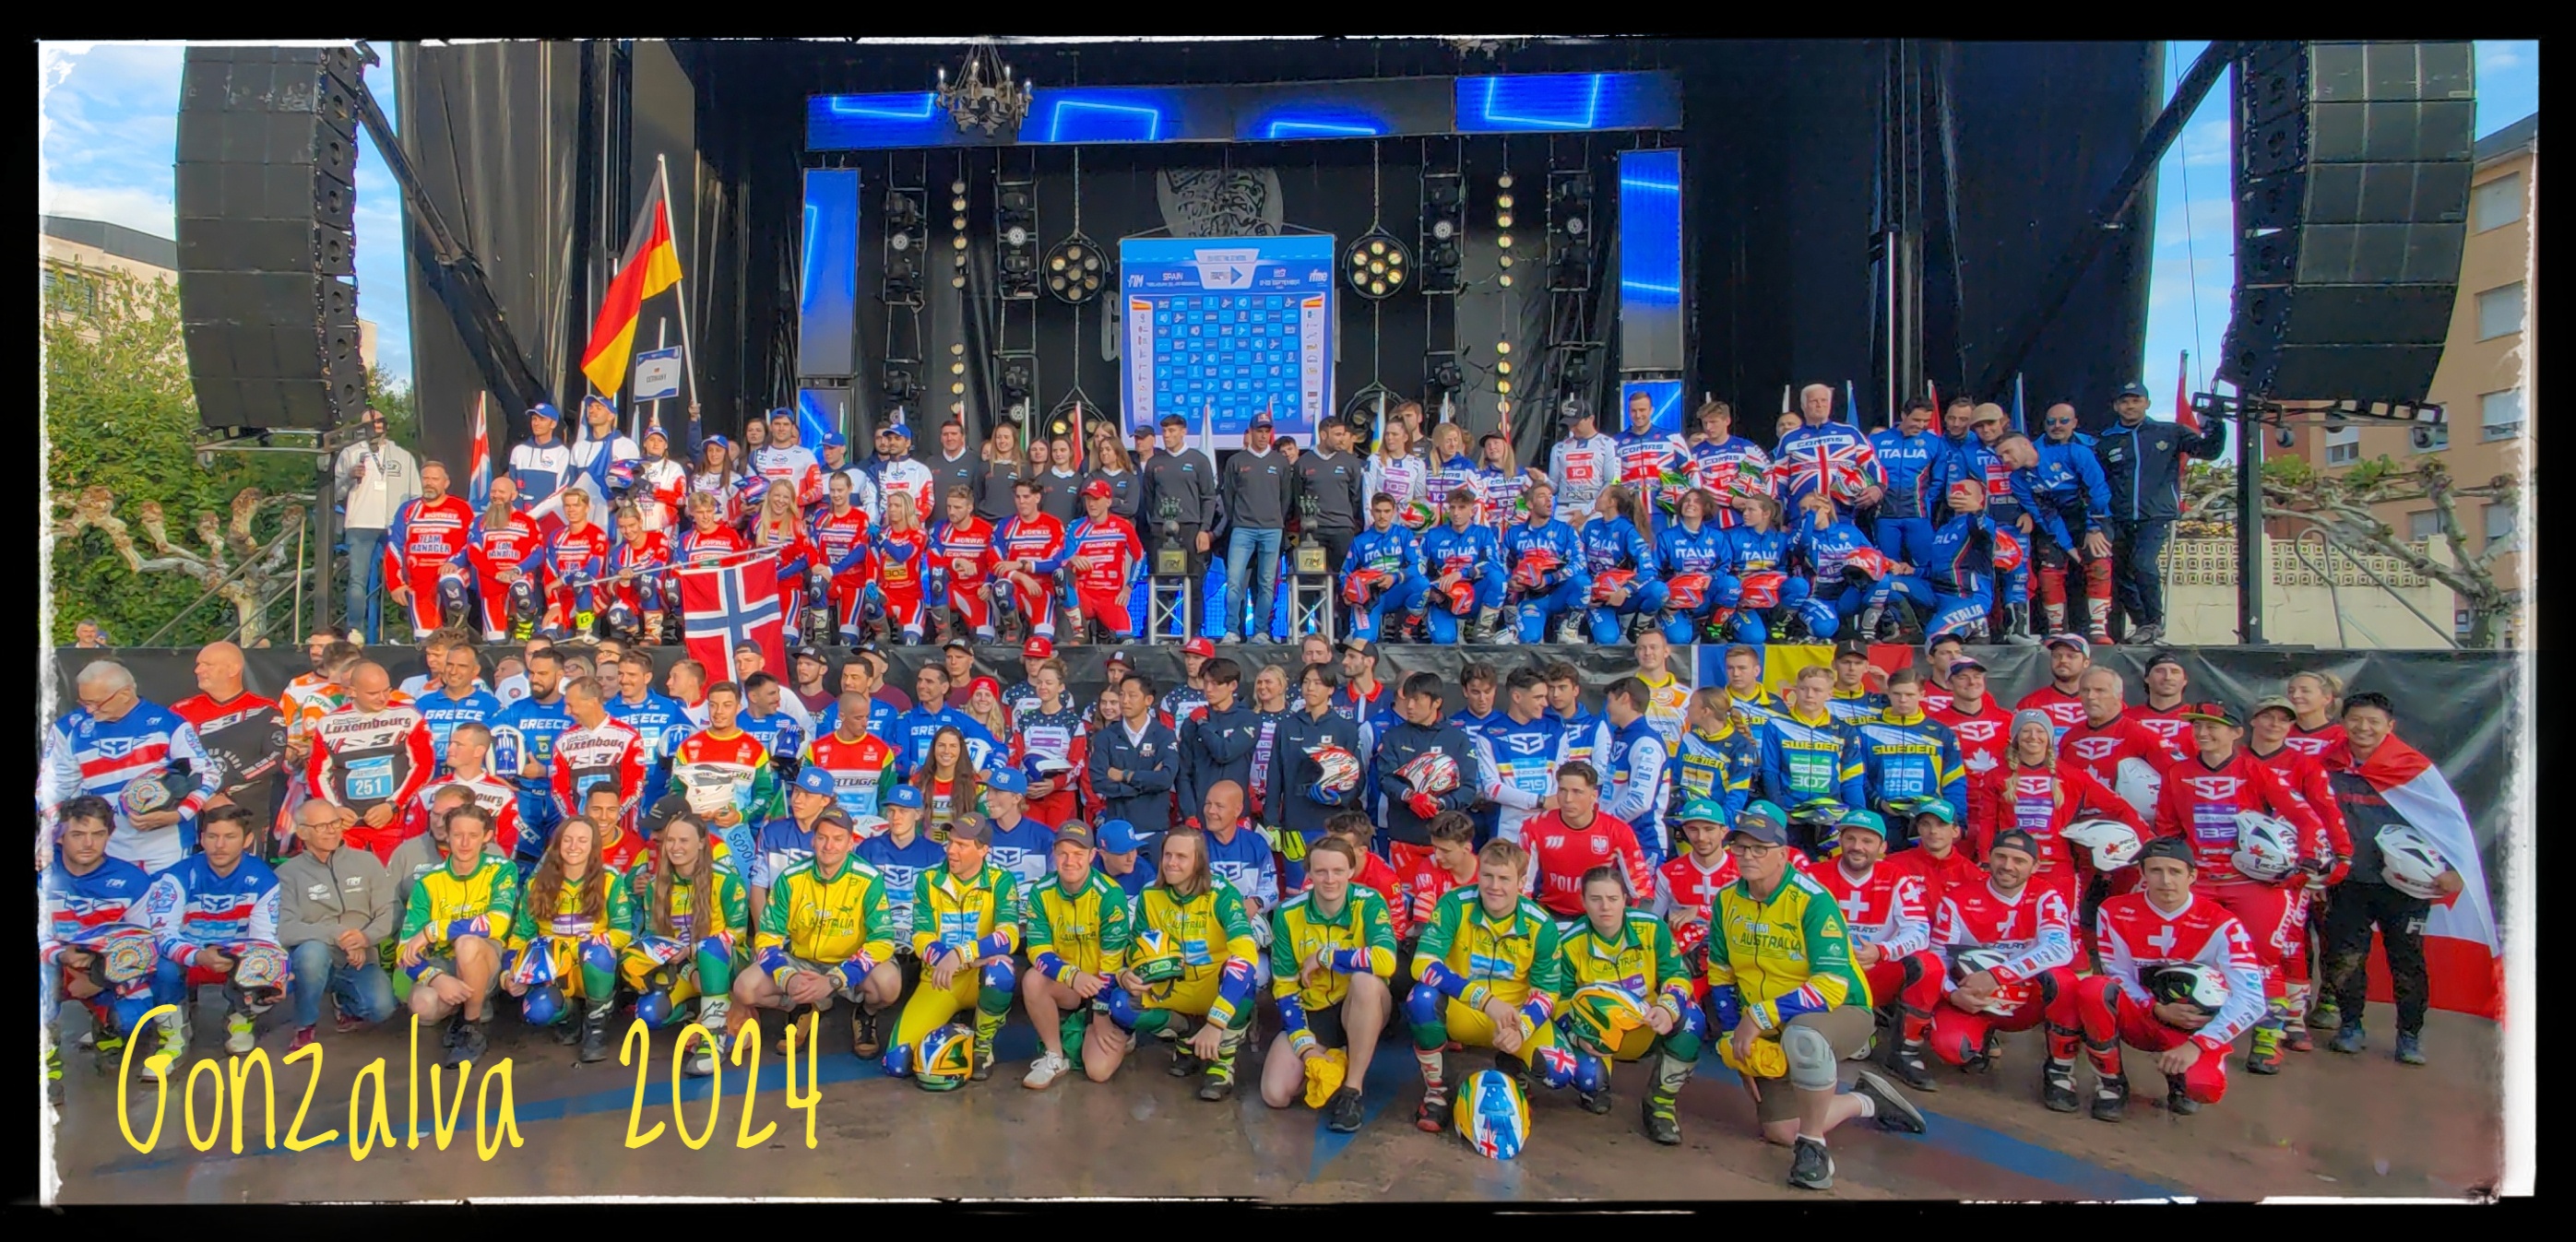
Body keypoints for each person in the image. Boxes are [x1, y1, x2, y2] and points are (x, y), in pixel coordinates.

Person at [1703, 808, 1926, 1189]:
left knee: (1803, 1036)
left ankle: (1813, 1148)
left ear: (1783, 854)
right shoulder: (1726, 900)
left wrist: (1758, 1016)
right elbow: (1721, 973)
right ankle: (1867, 1101)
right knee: (1779, 1130)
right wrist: (1732, 1039)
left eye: (1760, 848)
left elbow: (1831, 985)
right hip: (1771, 1019)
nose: (1748, 856)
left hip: (1841, 1010)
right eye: (1740, 848)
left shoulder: (1813, 900)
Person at [2149, 704, 2326, 1075]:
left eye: (2212, 727)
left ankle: (2268, 1038)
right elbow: (2167, 827)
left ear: (2236, 733)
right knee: (2188, 958)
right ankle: (2192, 1039)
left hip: (2252, 883)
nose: (2202, 734)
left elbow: (2305, 816)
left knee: (2263, 961)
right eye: (2197, 727)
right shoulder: (2178, 772)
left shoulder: (2255, 770)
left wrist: (2308, 857)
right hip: (2199, 883)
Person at [2319, 692, 2466, 1066]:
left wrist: (2455, 868)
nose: (2363, 728)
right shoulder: (2328, 763)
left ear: (2390, 726)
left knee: (2407, 960)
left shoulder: (2413, 768)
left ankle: (2409, 1035)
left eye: (2373, 721)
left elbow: (2449, 821)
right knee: (2345, 957)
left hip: (2405, 886)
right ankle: (2350, 1026)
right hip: (2349, 879)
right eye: (2355, 719)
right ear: (2343, 722)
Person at [1890, 827, 2085, 1106]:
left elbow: (2060, 948)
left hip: (2025, 1001)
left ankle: (2060, 1072)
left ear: (2035, 866)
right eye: (2001, 857)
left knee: (2064, 979)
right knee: (1952, 1048)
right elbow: (1939, 957)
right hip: (1972, 999)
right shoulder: (1957, 899)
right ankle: (1962, 1041)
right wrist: (1952, 994)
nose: (2008, 866)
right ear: (1989, 858)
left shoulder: (2047, 896)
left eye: (2019, 860)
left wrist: (1997, 976)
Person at [2074, 836, 2266, 1120]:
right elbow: (2118, 976)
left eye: (2175, 871)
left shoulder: (2223, 923)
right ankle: (2110, 1084)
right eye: (2155, 870)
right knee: (2093, 989)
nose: (2165, 881)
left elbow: (2253, 1000)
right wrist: (2156, 1009)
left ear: (2192, 876)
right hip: (2143, 1013)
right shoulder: (2113, 911)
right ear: (2142, 873)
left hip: (2192, 1025)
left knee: (2204, 1088)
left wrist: (2199, 1044)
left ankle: (2180, 1080)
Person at [1404, 839, 1578, 1131]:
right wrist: (1484, 1000)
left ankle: (1512, 1067)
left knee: (1559, 1071)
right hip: (1465, 1009)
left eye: (1504, 878)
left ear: (1521, 882)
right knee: (1420, 999)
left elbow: (1548, 992)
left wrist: (1522, 1028)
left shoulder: (1541, 924)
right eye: (1487, 875)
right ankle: (1438, 1091)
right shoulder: (1454, 904)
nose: (1494, 886)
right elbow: (1422, 963)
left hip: (1514, 1017)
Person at [741, 809, 907, 1060]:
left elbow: (882, 941)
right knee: (745, 988)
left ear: (850, 843)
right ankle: (803, 1004)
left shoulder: (869, 879)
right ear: (813, 841)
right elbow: (767, 937)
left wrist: (834, 980)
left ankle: (866, 1013)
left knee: (888, 985)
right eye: (822, 837)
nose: (829, 846)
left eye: (838, 839)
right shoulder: (791, 877)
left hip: (850, 962)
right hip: (802, 961)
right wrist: (788, 978)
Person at [1260, 836, 1396, 1130]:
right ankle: (1335, 1058)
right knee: (1275, 1094)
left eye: (1338, 871)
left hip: (1359, 1005)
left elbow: (1386, 961)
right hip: (1314, 1009)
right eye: (1321, 871)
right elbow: (1284, 985)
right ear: (1309, 873)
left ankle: (1352, 1091)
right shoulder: (1287, 913)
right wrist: (1305, 1048)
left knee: (1365, 981)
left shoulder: (1369, 902)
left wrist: (1327, 956)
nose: (1330, 879)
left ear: (1351, 871)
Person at [2246, 694, 2353, 1054]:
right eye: (2268, 716)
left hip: (2289, 866)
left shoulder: (2305, 765)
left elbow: (2327, 811)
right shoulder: (2235, 760)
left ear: (2292, 726)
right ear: (2253, 721)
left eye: (2284, 719)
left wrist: (2341, 854)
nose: (2275, 724)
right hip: (2236, 864)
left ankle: (2293, 1019)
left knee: (2290, 941)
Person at [42, 659, 220, 874]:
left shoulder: (168, 723)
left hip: (167, 847)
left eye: (96, 703)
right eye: (84, 702)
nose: (88, 709)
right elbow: (56, 787)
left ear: (125, 694)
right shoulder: (80, 732)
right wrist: (53, 824)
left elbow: (208, 774)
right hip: (109, 849)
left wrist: (179, 815)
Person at [42, 797, 167, 1092]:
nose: (88, 843)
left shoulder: (133, 881)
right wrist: (61, 956)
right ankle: (47, 1069)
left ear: (109, 835)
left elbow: (148, 946)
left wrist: (100, 979)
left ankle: (106, 1025)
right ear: (60, 836)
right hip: (54, 962)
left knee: (133, 1021)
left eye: (97, 834)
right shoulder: (43, 872)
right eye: (77, 834)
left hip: (111, 970)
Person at [144, 805, 287, 1057]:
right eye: (212, 836)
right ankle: (173, 1035)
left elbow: (264, 938)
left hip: (235, 955)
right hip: (189, 953)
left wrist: (274, 973)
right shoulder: (178, 875)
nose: (220, 845)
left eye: (230, 837)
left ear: (247, 840)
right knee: (161, 965)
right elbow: (162, 933)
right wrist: (198, 956)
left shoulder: (264, 879)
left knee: (280, 970)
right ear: (201, 839)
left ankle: (240, 1018)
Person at [891, 816, 1022, 1084]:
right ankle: (955, 1026)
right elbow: (921, 937)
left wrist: (962, 954)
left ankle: (983, 1045)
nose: (951, 850)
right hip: (940, 979)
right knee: (897, 1063)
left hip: (978, 978)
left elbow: (1009, 935)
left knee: (1001, 971)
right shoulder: (928, 879)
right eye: (950, 842)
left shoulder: (1001, 880)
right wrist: (947, 958)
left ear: (983, 850)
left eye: (962, 845)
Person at [2093, 381, 2224, 645]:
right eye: (2125, 401)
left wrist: (2216, 424)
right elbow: (2096, 482)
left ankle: (2154, 620)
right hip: (2118, 517)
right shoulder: (2106, 441)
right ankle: (2144, 625)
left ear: (2147, 404)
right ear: (2116, 406)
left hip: (2155, 515)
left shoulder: (2170, 432)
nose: (2130, 406)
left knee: (2143, 564)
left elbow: (2208, 451)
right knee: (2120, 573)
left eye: (2136, 401)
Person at [1980, 707, 2147, 904]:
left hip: (2058, 867)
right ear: (2015, 737)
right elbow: (1987, 821)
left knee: (2059, 920)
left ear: (2049, 738)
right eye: (2025, 731)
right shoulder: (1996, 776)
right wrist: (1985, 860)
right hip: (2012, 865)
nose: (2033, 736)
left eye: (2040, 731)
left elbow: (2119, 807)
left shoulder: (2073, 776)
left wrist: (2148, 844)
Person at [1015, 822, 1136, 1089]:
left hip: (1104, 985)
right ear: (1054, 855)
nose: (1070, 861)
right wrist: (1072, 975)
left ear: (1092, 856)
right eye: (1063, 853)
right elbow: (1037, 950)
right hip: (1071, 983)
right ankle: (1054, 1056)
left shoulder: (1110, 894)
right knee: (1033, 980)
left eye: (1078, 854)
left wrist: (1101, 1014)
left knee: (1098, 1071)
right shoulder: (1041, 891)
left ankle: (1123, 1030)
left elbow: (1112, 962)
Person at [501, 818, 632, 1061]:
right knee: (537, 1011)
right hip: (553, 971)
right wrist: (509, 973)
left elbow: (623, 933)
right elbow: (520, 936)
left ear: (593, 846)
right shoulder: (536, 883)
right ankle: (569, 1018)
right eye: (567, 840)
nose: (574, 846)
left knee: (598, 950)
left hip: (592, 967)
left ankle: (596, 1026)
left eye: (582, 840)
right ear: (557, 843)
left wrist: (579, 946)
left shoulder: (611, 879)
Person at [276, 801, 399, 1053]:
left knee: (381, 1008)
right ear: (302, 832)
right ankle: (305, 1024)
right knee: (311, 954)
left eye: (335, 823)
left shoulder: (367, 862)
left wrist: (365, 938)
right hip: (318, 952)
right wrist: (337, 935)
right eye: (322, 826)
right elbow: (284, 928)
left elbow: (390, 910)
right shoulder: (287, 874)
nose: (332, 830)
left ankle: (343, 1001)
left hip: (360, 956)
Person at [303, 662, 437, 860]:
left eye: (386, 690)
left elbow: (424, 765)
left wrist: (393, 805)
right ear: (352, 691)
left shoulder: (409, 716)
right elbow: (317, 773)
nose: (382, 697)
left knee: (394, 876)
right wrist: (334, 809)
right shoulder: (328, 723)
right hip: (348, 823)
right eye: (373, 693)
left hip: (393, 821)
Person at [171, 641, 288, 843]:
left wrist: (223, 781)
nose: (198, 670)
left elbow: (274, 757)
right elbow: (171, 761)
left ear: (233, 669)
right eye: (198, 664)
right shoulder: (180, 711)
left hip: (248, 814)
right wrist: (206, 794)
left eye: (207, 664)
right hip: (194, 814)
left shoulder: (265, 709)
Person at [1375, 673, 1486, 884]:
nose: (1410, 706)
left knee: (1448, 901)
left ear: (1436, 702)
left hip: (1448, 843)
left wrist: (1442, 804)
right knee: (1406, 899)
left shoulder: (1457, 739)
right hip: (1405, 838)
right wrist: (1410, 796)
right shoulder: (1393, 736)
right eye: (1408, 699)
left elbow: (1468, 788)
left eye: (1417, 700)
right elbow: (1385, 779)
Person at [2027, 403, 2117, 645]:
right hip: (2054, 518)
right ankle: (2056, 629)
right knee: (2049, 570)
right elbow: (2040, 505)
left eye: (2063, 421)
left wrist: (2094, 527)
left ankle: (2098, 627)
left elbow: (2098, 491)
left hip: (2090, 514)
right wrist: (2065, 543)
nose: (2057, 426)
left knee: (2099, 563)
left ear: (2075, 423)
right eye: (2051, 422)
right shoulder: (2032, 452)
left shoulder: (2087, 448)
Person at [1264, 661, 1367, 873]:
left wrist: (1340, 799)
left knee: (1331, 880)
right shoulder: (1287, 726)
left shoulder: (1346, 729)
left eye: (1318, 683)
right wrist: (1272, 821)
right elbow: (1274, 777)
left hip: (1334, 824)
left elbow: (1358, 777)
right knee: (1296, 885)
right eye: (1306, 682)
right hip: (1295, 823)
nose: (1310, 688)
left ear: (1331, 689)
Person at [1519, 761, 1652, 922]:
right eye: (1562, 790)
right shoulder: (1535, 826)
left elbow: (1642, 891)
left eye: (1577, 792)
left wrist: (1633, 927)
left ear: (1594, 796)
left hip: (1601, 917)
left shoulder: (1617, 831)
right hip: (1551, 915)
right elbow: (1521, 886)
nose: (1568, 799)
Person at [334, 408, 423, 641]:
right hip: (361, 522)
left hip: (395, 525)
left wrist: (411, 525)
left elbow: (416, 495)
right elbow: (334, 493)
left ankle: (415, 629)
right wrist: (349, 477)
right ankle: (355, 631)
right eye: (369, 424)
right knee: (358, 579)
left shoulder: (403, 456)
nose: (375, 426)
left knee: (408, 577)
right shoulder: (350, 453)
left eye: (379, 421)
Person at [1756, 667, 1868, 850]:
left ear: (1829, 694)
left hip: (1830, 818)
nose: (1809, 695)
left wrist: (1857, 817)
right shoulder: (1776, 724)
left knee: (1826, 865)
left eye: (1817, 690)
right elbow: (1770, 772)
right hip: (1791, 814)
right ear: (1795, 690)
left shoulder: (1844, 730)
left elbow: (1852, 779)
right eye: (1803, 688)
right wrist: (1781, 811)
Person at [1853, 668, 1966, 841]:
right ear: (1888, 693)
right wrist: (1879, 802)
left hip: (1929, 819)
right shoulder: (1865, 732)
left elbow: (1954, 781)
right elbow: (1857, 777)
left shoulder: (1941, 733)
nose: (1903, 700)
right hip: (1882, 817)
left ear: (1922, 695)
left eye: (1910, 694)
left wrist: (1957, 821)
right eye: (1897, 694)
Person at [491, 646, 576, 860]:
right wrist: (492, 775)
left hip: (563, 797)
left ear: (559, 675)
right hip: (525, 797)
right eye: (532, 673)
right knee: (522, 860)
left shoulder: (573, 709)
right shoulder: (515, 710)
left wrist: (545, 771)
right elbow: (481, 738)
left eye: (543, 673)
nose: (534, 679)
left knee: (563, 860)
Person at [382, 462, 477, 638]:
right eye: (425, 478)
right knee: (426, 640)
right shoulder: (408, 509)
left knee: (450, 583)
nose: (429, 483)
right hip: (419, 582)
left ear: (446, 483)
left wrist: (455, 562)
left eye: (434, 479)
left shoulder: (462, 508)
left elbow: (473, 543)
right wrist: (395, 585)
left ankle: (460, 631)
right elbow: (394, 547)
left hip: (453, 573)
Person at [548, 676, 646, 843]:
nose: (566, 712)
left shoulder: (627, 736)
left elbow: (634, 788)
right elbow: (559, 790)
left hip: (619, 828)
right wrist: (575, 821)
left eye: (571, 705)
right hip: (580, 831)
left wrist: (610, 818)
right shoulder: (564, 740)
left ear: (592, 702)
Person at [1770, 384, 1884, 523]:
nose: (1820, 405)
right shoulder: (1789, 438)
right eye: (1814, 401)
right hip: (1803, 514)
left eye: (1824, 400)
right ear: (1803, 406)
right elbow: (1779, 478)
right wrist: (1780, 514)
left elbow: (1872, 464)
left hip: (1843, 513)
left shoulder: (1850, 433)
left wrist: (1878, 487)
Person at [2059, 668, 2183, 793]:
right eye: (2085, 690)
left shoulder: (2140, 735)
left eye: (2100, 691)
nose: (2091, 697)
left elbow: (2181, 776)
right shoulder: (2070, 737)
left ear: (2118, 696)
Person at [1087, 673, 1181, 838]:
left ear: (1148, 700)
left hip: (1154, 828)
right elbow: (1098, 782)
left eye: (1132, 695)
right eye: (1122, 694)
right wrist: (1146, 783)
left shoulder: (1164, 735)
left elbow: (1165, 779)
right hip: (1118, 828)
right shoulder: (1106, 737)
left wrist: (1125, 775)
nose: (1124, 701)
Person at [1192, 783, 1281, 948]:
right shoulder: (1194, 845)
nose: (1210, 811)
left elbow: (1272, 892)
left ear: (1237, 810)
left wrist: (1255, 902)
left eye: (1219, 806)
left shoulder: (1256, 843)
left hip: (1246, 932)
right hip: (1203, 933)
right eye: (1207, 804)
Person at [1141, 413, 1221, 594]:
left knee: (1194, 586)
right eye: (1164, 431)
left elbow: (1208, 497)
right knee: (1161, 586)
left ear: (1183, 432)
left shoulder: (1199, 460)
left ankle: (1193, 615)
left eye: (1172, 431)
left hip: (1190, 529)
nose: (1167, 435)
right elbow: (1149, 497)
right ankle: (1160, 614)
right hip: (1161, 530)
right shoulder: (1154, 463)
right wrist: (1156, 522)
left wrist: (1204, 529)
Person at [1599, 678, 1675, 868]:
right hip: (1617, 836)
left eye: (1610, 701)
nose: (1607, 708)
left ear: (1625, 698)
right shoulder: (1623, 735)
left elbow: (1639, 802)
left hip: (1643, 841)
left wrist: (1602, 825)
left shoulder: (1646, 742)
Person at [1500, 482, 1588, 643]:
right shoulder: (1513, 533)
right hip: (1531, 598)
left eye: (1551, 497)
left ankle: (1568, 629)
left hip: (1559, 593)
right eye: (1542, 496)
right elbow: (1502, 565)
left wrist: (1550, 578)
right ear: (1530, 504)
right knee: (1529, 638)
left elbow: (1580, 563)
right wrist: (1510, 581)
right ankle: (1514, 627)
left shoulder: (1566, 530)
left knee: (1583, 582)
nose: (1549, 501)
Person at [1929, 655, 2012, 827]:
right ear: (1949, 684)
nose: (1972, 682)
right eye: (1962, 677)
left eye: (1977, 676)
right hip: (1958, 812)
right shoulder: (1935, 725)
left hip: (2002, 810)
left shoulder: (2007, 719)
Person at [1417, 488, 1507, 643]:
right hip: (1444, 599)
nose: (1456, 513)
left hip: (1474, 595)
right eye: (1452, 507)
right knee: (1443, 639)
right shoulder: (1433, 535)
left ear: (1472, 511)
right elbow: (1418, 569)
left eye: (1462, 507)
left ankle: (1482, 629)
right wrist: (1429, 591)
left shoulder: (1484, 534)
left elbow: (1494, 563)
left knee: (1498, 579)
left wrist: (1462, 574)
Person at [1865, 398, 1948, 566]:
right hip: (1884, 516)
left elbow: (1939, 480)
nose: (1921, 425)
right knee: (1887, 565)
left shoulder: (1934, 443)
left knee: (1928, 564)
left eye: (1925, 421)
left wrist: (1926, 501)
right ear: (1903, 415)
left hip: (1918, 515)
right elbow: (1865, 474)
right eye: (1916, 420)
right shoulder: (1876, 441)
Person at [1717, 491, 1807, 644]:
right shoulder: (1731, 536)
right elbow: (1724, 572)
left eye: (1751, 510)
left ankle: (1777, 626)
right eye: (1744, 509)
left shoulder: (1780, 538)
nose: (1745, 514)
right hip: (1743, 600)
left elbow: (1783, 569)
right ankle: (1726, 625)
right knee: (1755, 637)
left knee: (1799, 584)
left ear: (1766, 514)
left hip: (1771, 598)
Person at [1579, 484, 1665, 644]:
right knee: (1606, 639)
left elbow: (1649, 570)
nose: (1597, 499)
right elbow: (1579, 563)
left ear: (1612, 502)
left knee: (1659, 590)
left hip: (1621, 594)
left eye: (1601, 495)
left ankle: (1639, 626)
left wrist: (1625, 591)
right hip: (1597, 597)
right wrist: (1584, 593)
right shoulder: (1590, 526)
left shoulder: (1627, 531)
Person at [1062, 479, 1147, 641]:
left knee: (1127, 640)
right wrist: (1072, 559)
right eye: (1088, 499)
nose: (1091, 504)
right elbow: (1064, 560)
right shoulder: (1075, 526)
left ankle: (1102, 630)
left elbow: (1140, 557)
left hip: (1110, 597)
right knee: (1060, 576)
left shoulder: (1123, 526)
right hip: (1083, 595)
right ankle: (1079, 632)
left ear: (1108, 502)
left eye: (1096, 499)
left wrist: (1129, 587)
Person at [1176, 657, 1260, 817]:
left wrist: (1203, 724)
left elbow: (1224, 752)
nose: (1208, 689)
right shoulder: (1192, 722)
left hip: (1235, 814)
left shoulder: (1249, 719)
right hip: (1202, 813)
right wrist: (1190, 814)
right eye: (1206, 682)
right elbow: (1184, 773)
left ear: (1232, 685)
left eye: (1215, 684)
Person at [1343, 493, 1430, 643]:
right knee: (1364, 641)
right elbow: (1345, 572)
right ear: (1371, 512)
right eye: (1378, 511)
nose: (1382, 516)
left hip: (1397, 590)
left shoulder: (1404, 535)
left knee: (1422, 584)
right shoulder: (1360, 541)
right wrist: (1346, 591)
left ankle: (1407, 627)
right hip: (1370, 596)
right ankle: (1362, 630)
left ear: (1394, 512)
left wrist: (1396, 577)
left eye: (1387, 511)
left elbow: (1419, 566)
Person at [1654, 488, 1737, 645]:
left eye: (1697, 501)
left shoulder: (1717, 537)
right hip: (1676, 601)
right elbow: (1654, 571)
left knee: (1731, 584)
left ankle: (1712, 629)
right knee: (1680, 639)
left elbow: (1725, 567)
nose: (1690, 504)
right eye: (1686, 500)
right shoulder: (1666, 537)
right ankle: (1685, 625)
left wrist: (1711, 576)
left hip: (1705, 596)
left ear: (1705, 508)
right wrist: (1664, 599)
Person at [993, 479, 1071, 644]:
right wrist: (1021, 577)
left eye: (1026, 497)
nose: (1021, 502)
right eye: (1018, 497)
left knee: (1043, 640)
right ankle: (1013, 627)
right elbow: (995, 563)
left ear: (1037, 498)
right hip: (1015, 587)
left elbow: (1057, 562)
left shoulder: (1053, 524)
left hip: (1042, 588)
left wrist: (1022, 565)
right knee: (1000, 587)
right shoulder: (1004, 525)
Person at [1674, 687, 1759, 824]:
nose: (1687, 708)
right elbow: (1675, 779)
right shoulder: (1688, 738)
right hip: (1685, 818)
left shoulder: (1740, 746)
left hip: (1715, 821)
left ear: (1705, 711)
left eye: (1691, 704)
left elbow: (1737, 793)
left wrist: (1722, 823)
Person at [1687, 399, 1774, 531]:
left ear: (1727, 421)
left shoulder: (1746, 447)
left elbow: (1769, 474)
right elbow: (1697, 487)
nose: (1708, 428)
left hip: (1745, 518)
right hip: (1712, 520)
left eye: (1713, 422)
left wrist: (1765, 503)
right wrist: (1730, 500)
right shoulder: (1695, 454)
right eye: (1705, 423)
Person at [930, 487, 1003, 642]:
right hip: (951, 588)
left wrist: (988, 584)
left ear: (970, 508)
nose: (951, 512)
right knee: (937, 573)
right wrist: (956, 561)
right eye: (949, 506)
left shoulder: (986, 530)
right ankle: (943, 633)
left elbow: (995, 562)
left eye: (957, 507)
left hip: (976, 590)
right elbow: (931, 559)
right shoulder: (939, 528)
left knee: (985, 640)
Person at [1612, 388, 1691, 526]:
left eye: (1642, 410)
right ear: (1628, 412)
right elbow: (1612, 478)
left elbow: (1691, 469)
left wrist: (1691, 500)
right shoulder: (1615, 442)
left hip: (1662, 511)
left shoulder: (1672, 438)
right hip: (1629, 512)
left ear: (1651, 410)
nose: (1638, 415)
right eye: (1634, 411)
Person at [1547, 399, 1620, 529]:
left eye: (1576, 424)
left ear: (1590, 419)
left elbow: (1613, 482)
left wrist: (1586, 511)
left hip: (1595, 510)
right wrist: (1541, 479)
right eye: (1569, 424)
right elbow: (1553, 485)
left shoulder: (1608, 444)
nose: (1572, 429)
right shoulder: (1559, 448)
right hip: (1565, 510)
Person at [508, 403, 577, 529]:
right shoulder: (518, 451)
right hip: (520, 520)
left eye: (542, 419)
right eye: (534, 419)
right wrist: (518, 515)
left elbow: (561, 491)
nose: (536, 423)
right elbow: (512, 487)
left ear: (553, 424)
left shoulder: (562, 453)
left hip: (548, 520)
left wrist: (532, 515)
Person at [2124, 652, 2203, 758]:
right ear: (2147, 678)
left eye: (2175, 672)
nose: (2168, 677)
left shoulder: (2199, 718)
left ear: (2185, 680)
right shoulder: (2126, 718)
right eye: (2160, 671)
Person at [2015, 633, 2093, 736]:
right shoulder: (2030, 704)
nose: (2063, 660)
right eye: (2057, 656)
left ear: (2086, 663)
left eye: (2071, 656)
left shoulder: (2101, 702)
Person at [1719, 644, 1787, 735]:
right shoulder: (1715, 704)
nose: (1736, 674)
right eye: (1730, 668)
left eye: (1742, 668)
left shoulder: (1776, 704)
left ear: (1756, 671)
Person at [2281, 669, 2347, 759]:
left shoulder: (2341, 735)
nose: (2295, 696)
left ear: (2327, 698)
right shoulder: (2278, 730)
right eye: (2291, 691)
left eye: (2305, 691)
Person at [1823, 636, 1887, 726]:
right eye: (1846, 662)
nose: (1852, 668)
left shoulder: (1879, 702)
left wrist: (1887, 689)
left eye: (1858, 663)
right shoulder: (1819, 701)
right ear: (1834, 664)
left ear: (1866, 667)